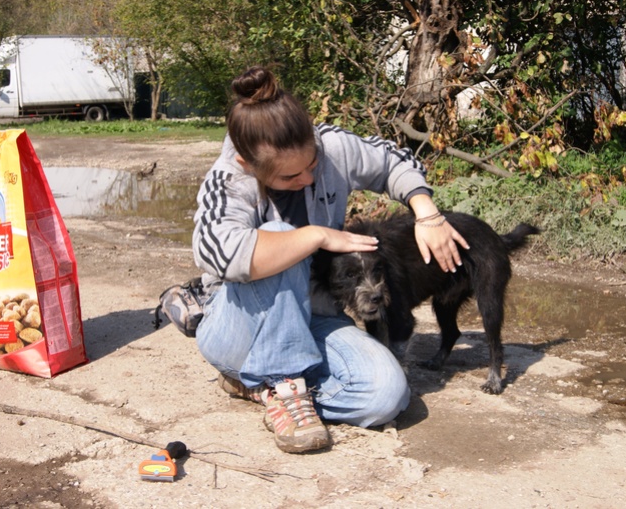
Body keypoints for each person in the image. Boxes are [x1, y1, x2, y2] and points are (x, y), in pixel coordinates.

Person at [192, 66, 468, 454]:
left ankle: (262, 387)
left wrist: (428, 214)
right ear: (247, 164)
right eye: (290, 177)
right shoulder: (227, 181)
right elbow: (221, 254)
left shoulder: (330, 146)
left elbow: (392, 160)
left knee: (386, 396)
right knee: (285, 240)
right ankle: (284, 388)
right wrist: (318, 235)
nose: (307, 179)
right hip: (240, 328)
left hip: (315, 318)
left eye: (312, 166)